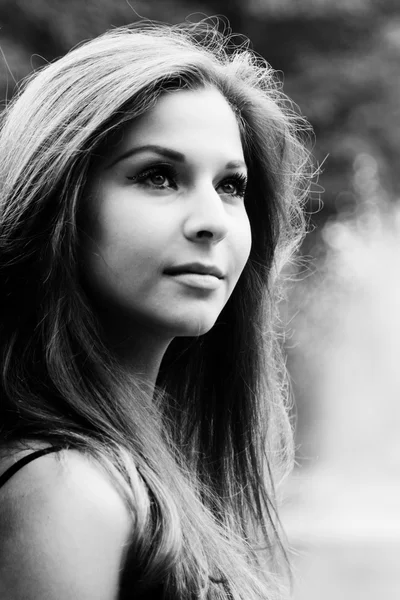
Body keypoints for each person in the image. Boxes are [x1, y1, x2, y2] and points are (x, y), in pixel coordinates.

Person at [0, 19, 312, 600]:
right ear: (59, 205)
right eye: (158, 176)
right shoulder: (66, 489)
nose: (212, 221)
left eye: (231, 185)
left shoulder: (125, 469)